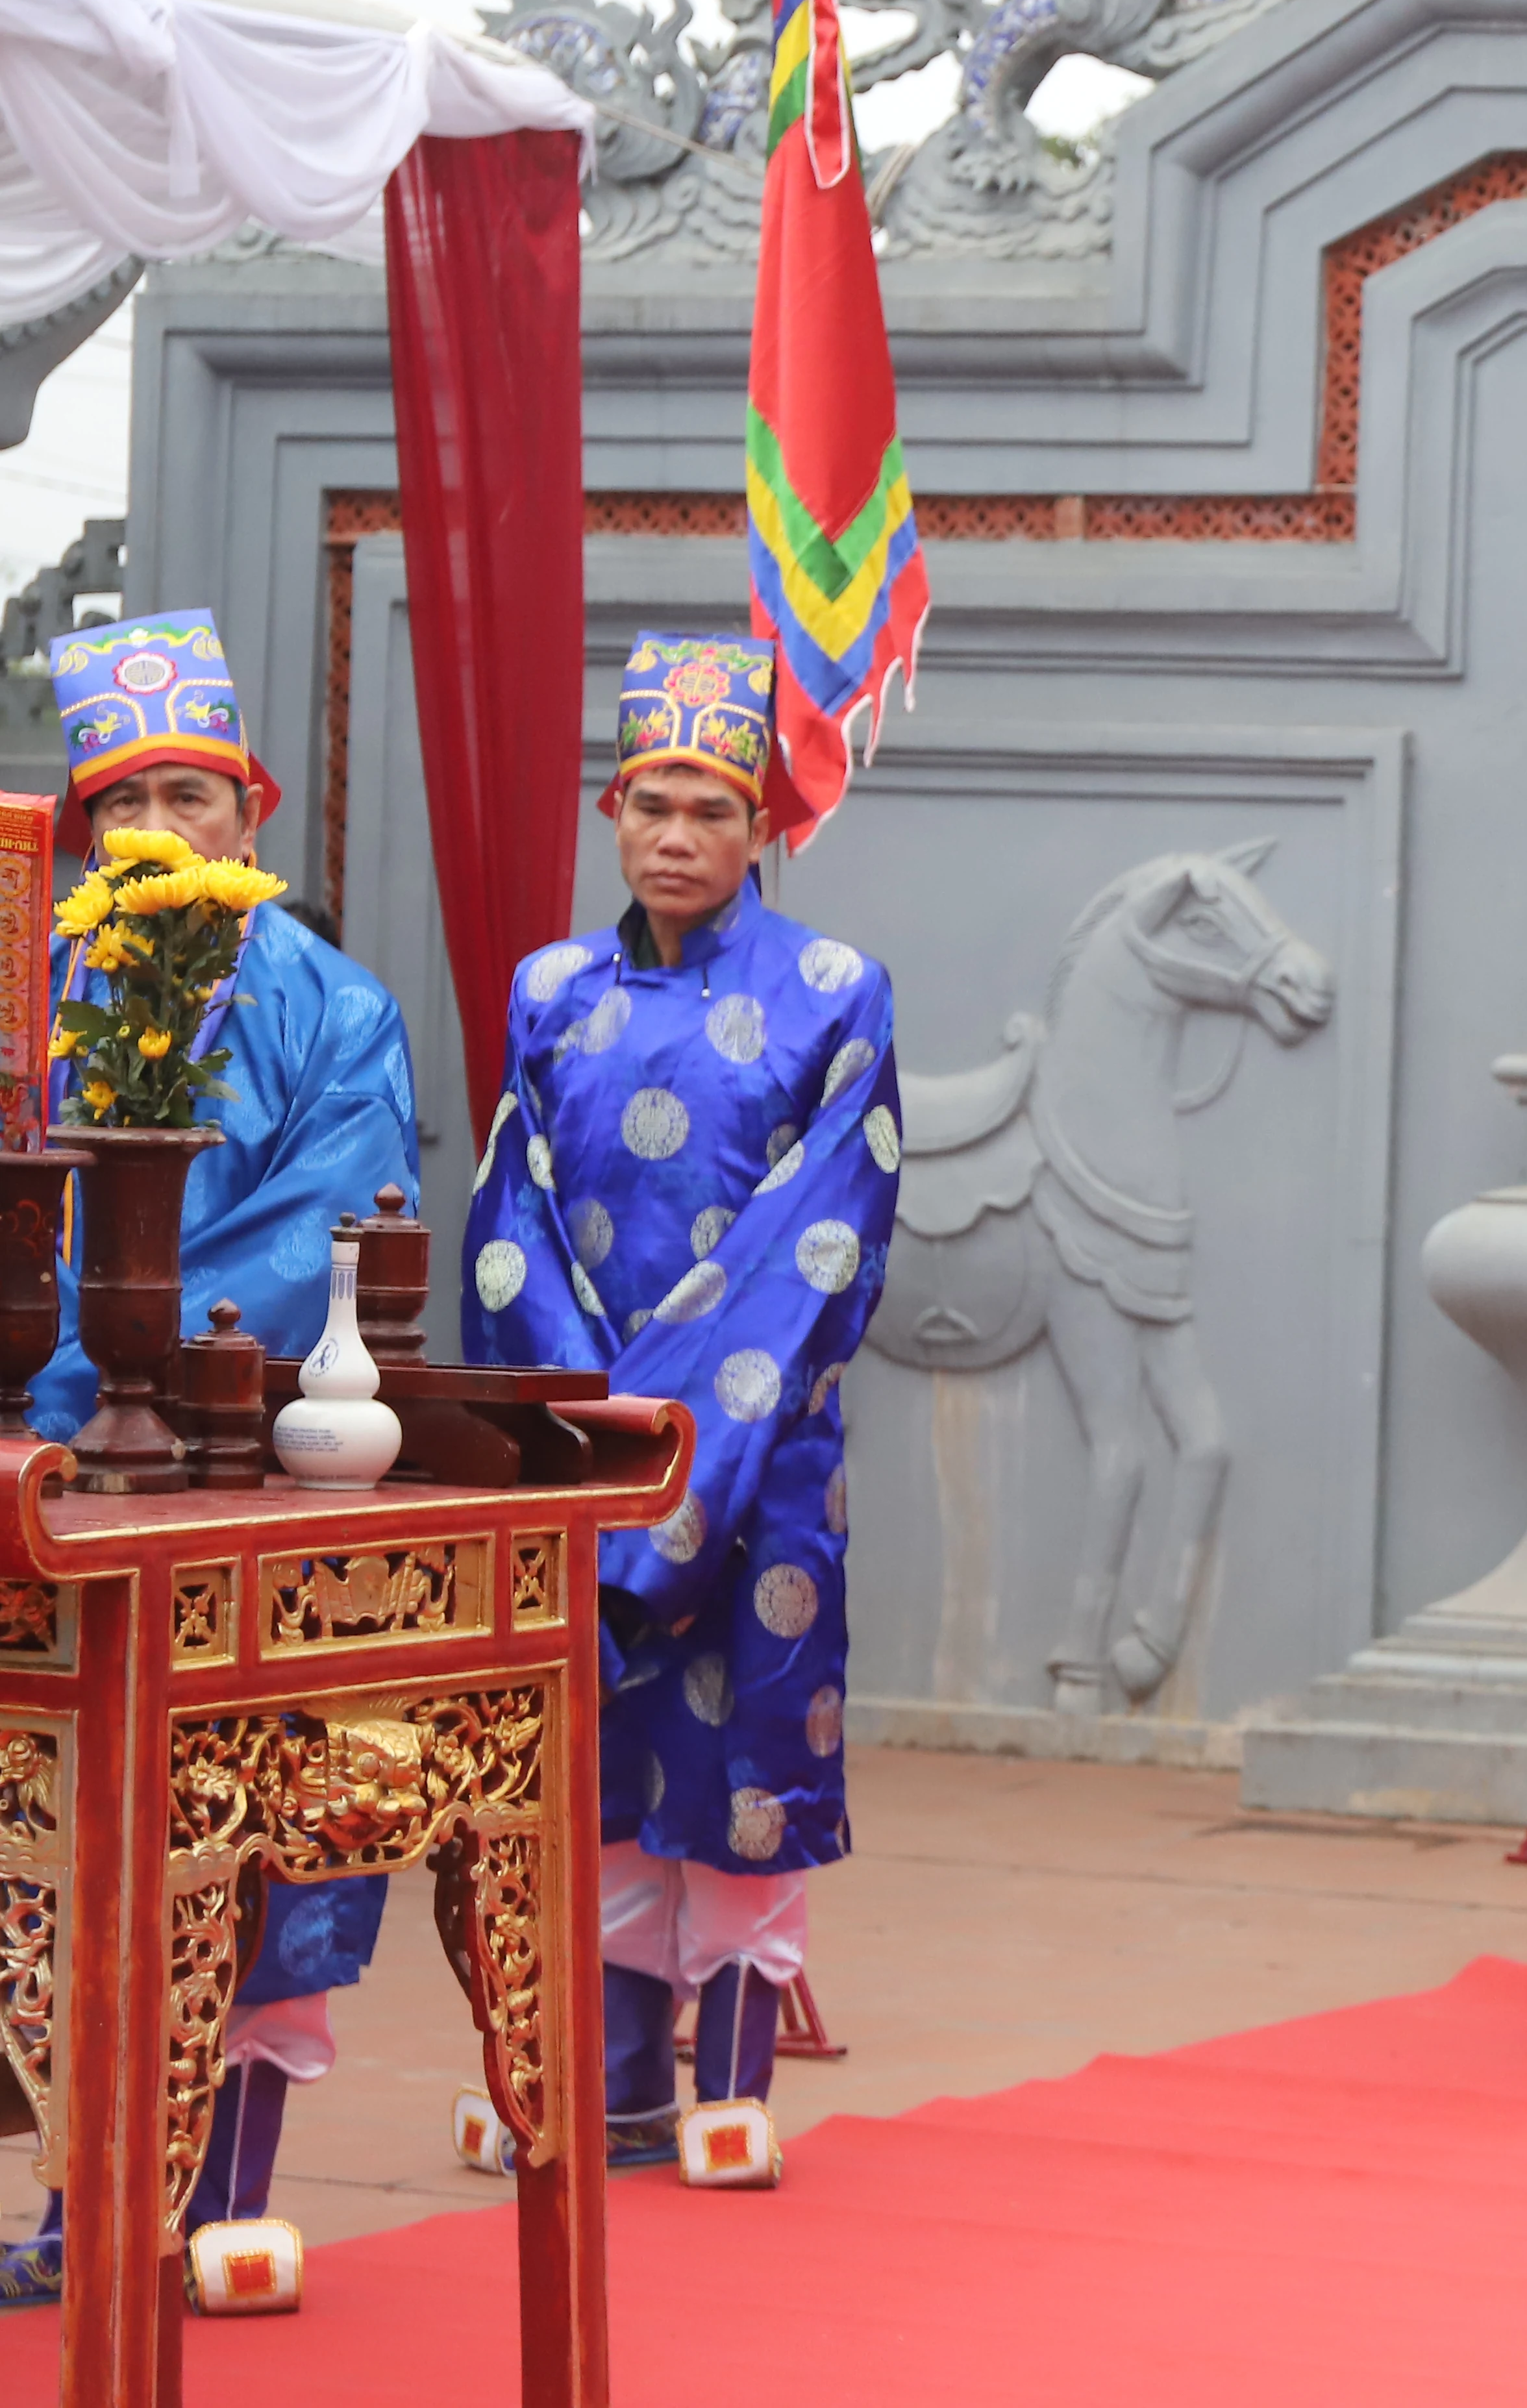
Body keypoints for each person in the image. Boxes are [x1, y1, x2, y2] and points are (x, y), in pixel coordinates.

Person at [0, 616, 422, 2310]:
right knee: (44, 1851)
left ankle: (221, 2191)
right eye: (128, 805)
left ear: (251, 816)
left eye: (194, 795)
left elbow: (333, 1219)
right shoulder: (25, 978)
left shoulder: (338, 1005)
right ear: (88, 834)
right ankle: (66, 2195)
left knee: (251, 1825)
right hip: (30, 1473)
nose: (162, 831)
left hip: (228, 1465)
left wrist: (99, 1366)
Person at [461, 634, 899, 2178]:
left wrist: (668, 1437)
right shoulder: (551, 989)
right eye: (654, 802)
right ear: (612, 808)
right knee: (600, 1762)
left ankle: (731, 2092)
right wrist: (586, 1422)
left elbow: (824, 1240)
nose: (677, 836)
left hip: (760, 1457)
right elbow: (506, 1220)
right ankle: (609, 2084)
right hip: (588, 1455)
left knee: (747, 1751)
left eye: (712, 808)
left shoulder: (836, 992)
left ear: (763, 823)